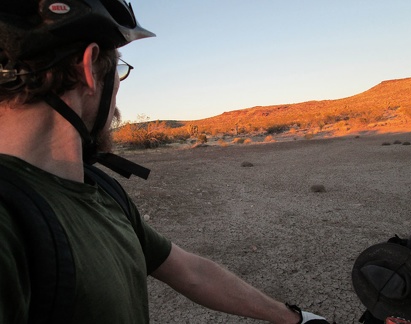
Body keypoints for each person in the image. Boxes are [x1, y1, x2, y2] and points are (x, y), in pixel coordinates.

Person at [0, 1, 329, 323]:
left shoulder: (99, 188)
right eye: (119, 73)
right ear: (89, 66)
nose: (117, 95)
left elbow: (190, 271)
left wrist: (293, 319)